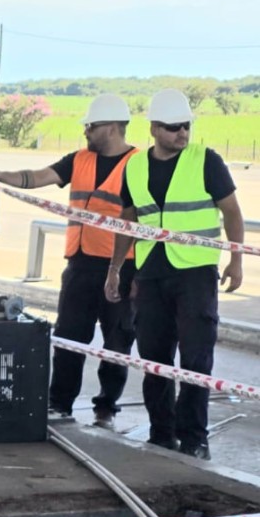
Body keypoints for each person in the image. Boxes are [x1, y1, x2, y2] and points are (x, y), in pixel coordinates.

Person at [0, 93, 140, 429]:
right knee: (68, 338)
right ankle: (59, 403)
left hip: (121, 268)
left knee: (117, 341)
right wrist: (2, 176)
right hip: (80, 265)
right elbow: (39, 177)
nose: (85, 131)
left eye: (91, 126)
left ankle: (106, 408)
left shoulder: (138, 164)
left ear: (111, 128)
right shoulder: (79, 159)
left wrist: (133, 275)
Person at [105, 89, 246, 461]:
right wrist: (116, 269)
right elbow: (129, 220)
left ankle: (195, 438)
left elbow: (232, 211)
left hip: (196, 273)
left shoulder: (206, 160)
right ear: (153, 129)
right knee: (155, 359)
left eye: (186, 126)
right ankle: (161, 434)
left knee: (196, 359)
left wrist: (236, 259)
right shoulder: (134, 166)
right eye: (173, 128)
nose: (182, 134)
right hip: (151, 273)